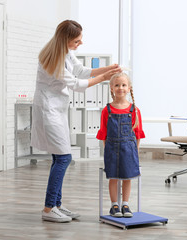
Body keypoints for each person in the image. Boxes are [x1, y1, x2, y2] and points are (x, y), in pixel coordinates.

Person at [30, 20, 121, 223]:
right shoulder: (52, 57)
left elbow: (80, 71)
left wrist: (108, 68)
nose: (80, 43)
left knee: (59, 158)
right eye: (77, 41)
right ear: (66, 39)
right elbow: (77, 84)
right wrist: (105, 77)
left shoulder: (65, 50)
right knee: (63, 158)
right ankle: (48, 208)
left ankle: (57, 205)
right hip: (48, 110)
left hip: (57, 109)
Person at [96, 72, 145, 218]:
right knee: (113, 177)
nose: (120, 88)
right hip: (111, 148)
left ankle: (125, 204)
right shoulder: (107, 110)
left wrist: (135, 151)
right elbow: (103, 133)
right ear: (111, 88)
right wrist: (107, 150)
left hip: (128, 149)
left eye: (123, 85)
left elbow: (137, 133)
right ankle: (114, 206)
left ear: (129, 88)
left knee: (127, 177)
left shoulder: (134, 110)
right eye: (117, 85)